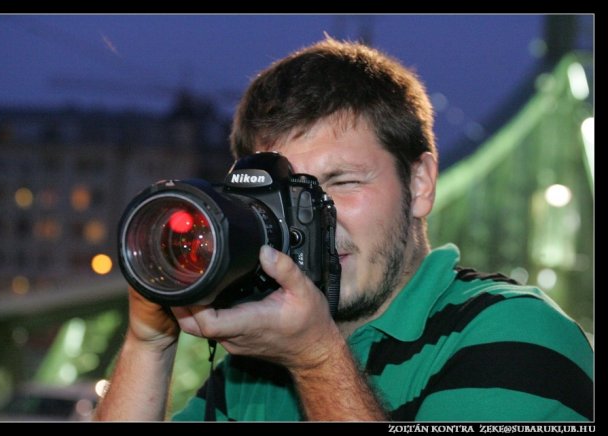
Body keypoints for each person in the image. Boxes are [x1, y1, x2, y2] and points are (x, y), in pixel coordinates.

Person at [94, 37, 593, 422]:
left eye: (342, 182)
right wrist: (148, 342)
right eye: (289, 197)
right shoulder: (253, 370)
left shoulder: (518, 333)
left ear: (419, 184)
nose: (318, 219)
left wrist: (315, 359)